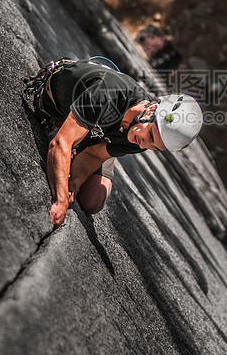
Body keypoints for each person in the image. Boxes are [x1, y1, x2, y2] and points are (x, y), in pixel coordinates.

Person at [26, 57, 203, 228]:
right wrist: (61, 199)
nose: (143, 145)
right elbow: (59, 143)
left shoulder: (142, 136)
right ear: (151, 110)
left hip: (100, 136)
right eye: (150, 135)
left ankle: (86, 141)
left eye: (154, 146)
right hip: (75, 105)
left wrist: (73, 184)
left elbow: (95, 154)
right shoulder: (109, 92)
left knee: (93, 201)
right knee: (67, 150)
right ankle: (83, 140)